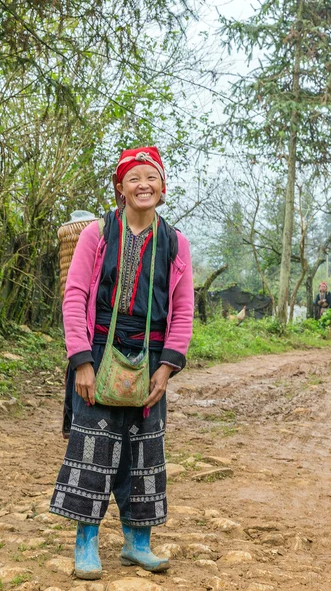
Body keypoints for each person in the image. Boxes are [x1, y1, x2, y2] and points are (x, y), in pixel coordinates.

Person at [50, 146, 194, 580]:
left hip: (151, 357)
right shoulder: (97, 234)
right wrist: (81, 362)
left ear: (163, 188)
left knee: (144, 453)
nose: (143, 185)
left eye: (151, 178)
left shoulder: (175, 241)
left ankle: (137, 543)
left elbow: (184, 309)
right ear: (121, 188)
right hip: (97, 349)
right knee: (93, 449)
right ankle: (86, 544)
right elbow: (74, 296)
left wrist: (166, 367)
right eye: (134, 178)